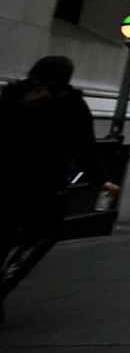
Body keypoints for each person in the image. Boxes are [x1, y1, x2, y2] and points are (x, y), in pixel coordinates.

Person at [0, 56, 106, 325]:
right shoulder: (70, 104)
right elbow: (85, 146)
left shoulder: (12, 94)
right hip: (43, 180)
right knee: (44, 234)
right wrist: (100, 179)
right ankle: (5, 281)